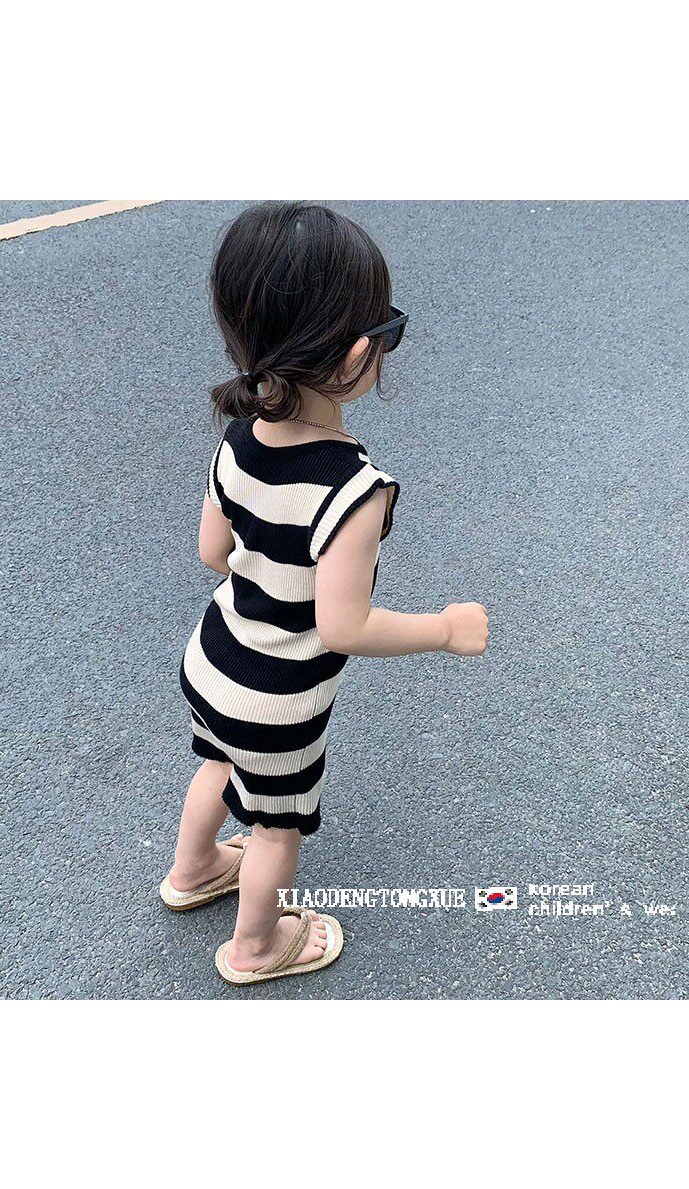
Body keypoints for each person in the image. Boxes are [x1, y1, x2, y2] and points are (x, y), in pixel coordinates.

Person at [160, 201, 489, 985]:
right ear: (355, 355)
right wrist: (445, 629)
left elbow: (213, 552)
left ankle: (193, 869)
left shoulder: (237, 437)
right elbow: (344, 626)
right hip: (276, 701)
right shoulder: (354, 489)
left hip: (212, 659)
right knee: (276, 830)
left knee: (215, 764)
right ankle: (256, 946)